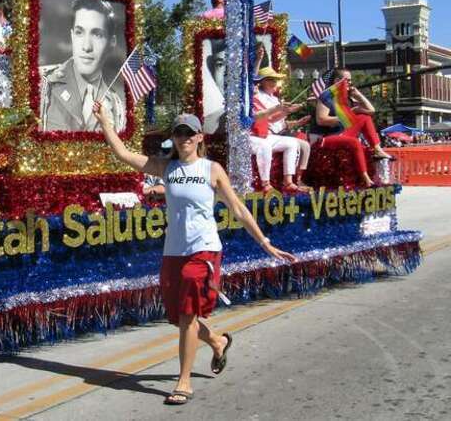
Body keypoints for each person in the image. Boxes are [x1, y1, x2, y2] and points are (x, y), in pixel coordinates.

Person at [93, 105, 297, 405]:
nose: (184, 138)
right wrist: (105, 122)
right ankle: (218, 340)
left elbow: (238, 210)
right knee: (177, 318)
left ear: (200, 137)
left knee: (188, 316)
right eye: (179, 133)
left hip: (203, 250)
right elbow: (123, 154)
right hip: (173, 252)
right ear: (173, 138)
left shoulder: (211, 169)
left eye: (189, 133)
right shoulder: (166, 168)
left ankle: (183, 381)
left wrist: (265, 243)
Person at [41, 0, 126, 132]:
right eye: (79, 32)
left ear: (112, 42)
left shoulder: (116, 104)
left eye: (97, 34)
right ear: (72, 36)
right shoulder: (43, 82)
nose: (86, 46)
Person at [309, 69, 392, 188]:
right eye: (347, 80)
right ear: (337, 81)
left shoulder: (345, 96)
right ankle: (367, 179)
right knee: (354, 142)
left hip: (340, 132)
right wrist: (346, 116)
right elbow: (321, 120)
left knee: (364, 117)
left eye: (350, 81)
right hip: (324, 137)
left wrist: (358, 95)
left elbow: (371, 111)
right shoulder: (327, 95)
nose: (350, 83)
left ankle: (377, 149)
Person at [250, 67, 312, 192]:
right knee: (265, 145)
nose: (275, 83)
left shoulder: (271, 98)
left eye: (275, 80)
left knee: (292, 143)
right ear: (261, 82)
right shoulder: (253, 98)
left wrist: (287, 111)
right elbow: (262, 117)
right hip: (254, 135)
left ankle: (288, 182)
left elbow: (272, 119)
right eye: (271, 80)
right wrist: (282, 109)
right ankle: (266, 184)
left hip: (267, 135)